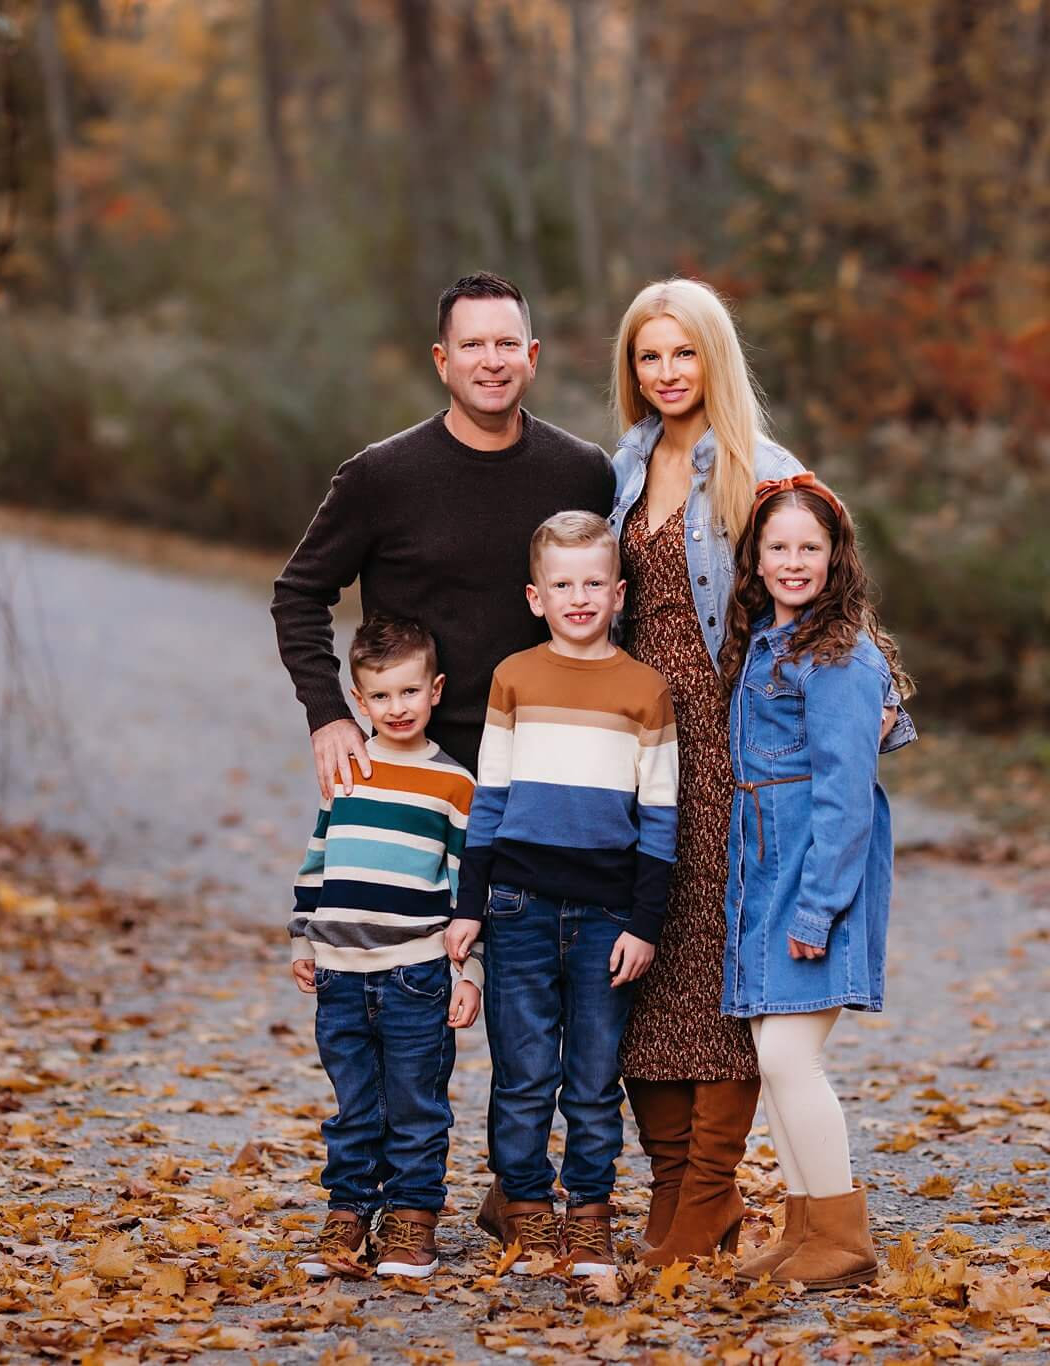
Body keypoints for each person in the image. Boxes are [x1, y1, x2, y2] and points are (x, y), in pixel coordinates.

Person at [604, 278, 915, 1266]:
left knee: (724, 970)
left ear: (714, 359)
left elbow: (819, 582)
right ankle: (680, 1201)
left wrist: (875, 702)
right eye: (647, 357)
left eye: (682, 354)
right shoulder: (623, 462)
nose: (665, 375)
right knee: (648, 960)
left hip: (735, 740)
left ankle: (717, 1196)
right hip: (645, 737)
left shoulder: (757, 463)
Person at [443, 512, 677, 1278]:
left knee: (592, 1076)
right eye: (561, 584)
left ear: (618, 592)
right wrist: (470, 906)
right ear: (536, 596)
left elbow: (660, 818)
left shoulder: (646, 690)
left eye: (592, 584)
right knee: (524, 1072)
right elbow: (492, 801)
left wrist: (645, 924)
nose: (579, 598)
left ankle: (590, 1212)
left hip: (608, 915)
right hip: (518, 905)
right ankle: (527, 1206)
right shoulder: (515, 677)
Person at [272, 272, 614, 785]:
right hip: (413, 765)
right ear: (442, 361)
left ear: (533, 356)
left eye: (507, 344)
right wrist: (329, 715)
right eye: (472, 344)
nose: (491, 361)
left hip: (546, 766)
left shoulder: (584, 473)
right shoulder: (381, 475)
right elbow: (298, 595)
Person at [716, 475, 906, 1292]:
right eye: (779, 547)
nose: (794, 562)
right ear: (755, 559)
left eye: (810, 548)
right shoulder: (765, 638)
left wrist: (819, 906)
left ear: (837, 559)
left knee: (793, 1058)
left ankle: (843, 1232)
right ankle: (804, 1227)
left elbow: (844, 793)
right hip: (767, 861)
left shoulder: (841, 655)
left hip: (813, 870)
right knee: (774, 1054)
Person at [288, 617, 482, 1281]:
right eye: (381, 696)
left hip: (416, 973)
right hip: (339, 974)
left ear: (436, 690)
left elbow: (466, 892)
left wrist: (469, 972)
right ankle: (348, 1209)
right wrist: (303, 933)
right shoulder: (350, 769)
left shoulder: (454, 784)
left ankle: (411, 1217)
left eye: (409, 692)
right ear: (358, 700)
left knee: (415, 1103)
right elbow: (319, 856)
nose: (396, 709)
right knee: (354, 1105)